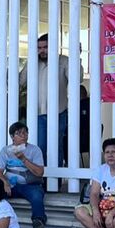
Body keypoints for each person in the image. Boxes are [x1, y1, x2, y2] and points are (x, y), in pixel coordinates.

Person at [18, 33, 68, 165]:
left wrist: (76, 57)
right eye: (39, 48)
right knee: (39, 147)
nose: (42, 50)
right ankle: (42, 179)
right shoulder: (33, 62)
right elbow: (20, 82)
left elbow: (77, 78)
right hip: (38, 113)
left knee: (55, 147)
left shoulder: (63, 61)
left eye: (45, 47)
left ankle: (54, 182)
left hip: (59, 111)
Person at [0, 121, 47, 228]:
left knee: (37, 195)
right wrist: (5, 182)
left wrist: (24, 159)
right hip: (10, 185)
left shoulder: (35, 150)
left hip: (29, 184)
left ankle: (38, 221)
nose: (24, 135)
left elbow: (40, 172)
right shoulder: (5, 150)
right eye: (19, 133)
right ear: (12, 137)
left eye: (25, 133)